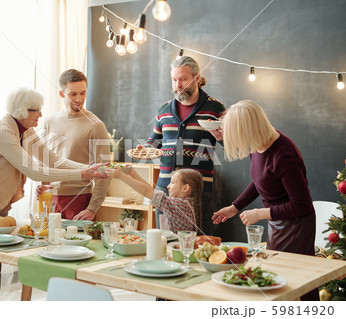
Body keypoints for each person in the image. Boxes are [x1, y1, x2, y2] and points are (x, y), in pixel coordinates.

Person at [0, 87, 106, 300]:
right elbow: (33, 170)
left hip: (0, 203)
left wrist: (88, 169)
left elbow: (51, 159)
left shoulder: (24, 130)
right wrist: (82, 172)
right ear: (20, 111)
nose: (41, 115)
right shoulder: (4, 132)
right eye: (36, 110)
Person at [211, 100, 318, 301]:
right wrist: (235, 207)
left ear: (248, 129)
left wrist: (259, 214)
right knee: (277, 282)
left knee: (294, 284)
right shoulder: (258, 144)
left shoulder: (283, 154)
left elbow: (301, 205)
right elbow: (260, 180)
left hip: (296, 226)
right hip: (277, 222)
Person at [145, 56, 225, 234]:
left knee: (198, 244)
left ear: (196, 79)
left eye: (183, 79)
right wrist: (147, 150)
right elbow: (154, 142)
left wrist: (221, 137)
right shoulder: (164, 110)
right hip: (166, 190)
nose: (178, 85)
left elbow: (232, 146)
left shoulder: (215, 108)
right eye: (174, 80)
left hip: (199, 193)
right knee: (164, 241)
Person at [41, 69, 110, 220]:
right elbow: (45, 161)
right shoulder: (49, 122)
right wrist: (43, 186)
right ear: (62, 94)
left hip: (79, 200)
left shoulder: (96, 125)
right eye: (73, 94)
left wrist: (92, 209)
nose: (79, 99)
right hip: (50, 199)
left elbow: (104, 172)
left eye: (83, 93)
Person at [106, 167, 203, 233]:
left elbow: (147, 192)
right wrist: (133, 173)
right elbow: (151, 191)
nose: (168, 186)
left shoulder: (179, 205)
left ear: (185, 188)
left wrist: (121, 176)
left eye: (173, 182)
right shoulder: (183, 203)